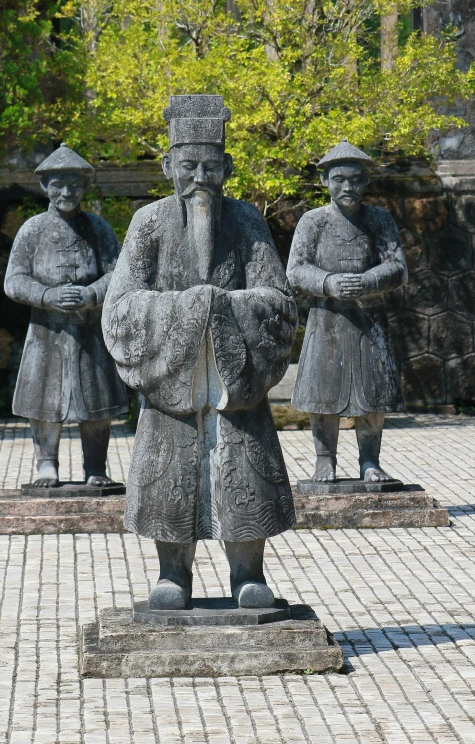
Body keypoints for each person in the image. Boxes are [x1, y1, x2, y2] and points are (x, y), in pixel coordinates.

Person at [103, 95, 298, 610]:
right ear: (168, 165)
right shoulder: (148, 223)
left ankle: (247, 573)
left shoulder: (248, 222)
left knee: (245, 471)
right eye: (188, 166)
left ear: (227, 168)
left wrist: (223, 309)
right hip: (173, 381)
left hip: (236, 383)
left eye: (212, 166)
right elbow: (120, 305)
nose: (200, 177)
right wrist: (189, 310)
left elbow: (277, 300)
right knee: (170, 476)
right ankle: (173, 574)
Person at [4, 144, 128, 487]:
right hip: (46, 330)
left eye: (74, 184)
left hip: (89, 329)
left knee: (95, 401)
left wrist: (91, 294)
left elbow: (118, 272)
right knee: (43, 399)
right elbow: (13, 280)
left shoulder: (98, 228)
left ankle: (96, 468)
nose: (66, 192)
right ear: (45, 187)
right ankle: (46, 463)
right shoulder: (32, 229)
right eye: (58, 184)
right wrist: (46, 295)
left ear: (84, 187)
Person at [286, 139, 408, 483]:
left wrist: (368, 282)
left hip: (369, 320)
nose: (348, 187)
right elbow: (295, 270)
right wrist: (328, 282)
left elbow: (397, 267)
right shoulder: (313, 222)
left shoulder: (379, 220)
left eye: (355, 179)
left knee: (372, 394)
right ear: (325, 181)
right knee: (323, 394)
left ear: (366, 182)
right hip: (326, 319)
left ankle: (370, 460)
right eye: (339, 179)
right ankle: (325, 459)